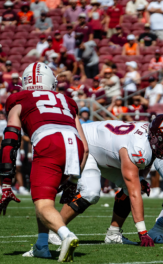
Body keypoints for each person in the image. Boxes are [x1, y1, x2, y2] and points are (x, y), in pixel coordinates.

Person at [49, 116, 163, 247]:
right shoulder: (138, 147)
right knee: (91, 192)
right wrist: (142, 232)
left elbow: (147, 163)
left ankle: (113, 233)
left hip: (103, 151)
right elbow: (134, 193)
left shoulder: (149, 139)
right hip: (85, 144)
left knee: (137, 185)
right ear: (154, 138)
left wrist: (141, 179)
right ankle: (55, 230)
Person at [1, 63, 88, 261]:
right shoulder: (67, 100)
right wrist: (73, 181)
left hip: (49, 143)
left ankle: (67, 236)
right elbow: (86, 146)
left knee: (42, 205)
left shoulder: (19, 98)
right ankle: (41, 245)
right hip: (75, 144)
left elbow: (10, 140)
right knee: (46, 199)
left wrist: (5, 184)